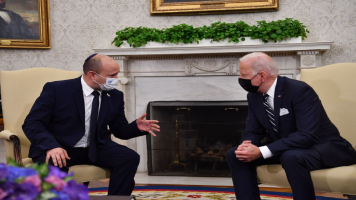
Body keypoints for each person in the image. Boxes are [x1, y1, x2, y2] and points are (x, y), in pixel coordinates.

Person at [22, 53, 160, 195]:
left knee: (129, 157)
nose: (116, 79)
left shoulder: (115, 96)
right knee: (55, 166)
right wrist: (51, 146)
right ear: (92, 75)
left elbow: (119, 130)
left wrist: (136, 127)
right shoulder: (57, 90)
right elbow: (32, 123)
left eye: (117, 74)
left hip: (95, 147)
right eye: (112, 76)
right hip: (59, 147)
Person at [226, 52, 356, 200]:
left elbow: (306, 136)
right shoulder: (254, 96)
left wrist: (262, 151)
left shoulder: (299, 90)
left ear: (261, 76)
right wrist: (246, 146)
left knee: (291, 156)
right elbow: (254, 131)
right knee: (236, 155)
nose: (240, 79)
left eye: (244, 75)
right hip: (291, 147)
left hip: (325, 147)